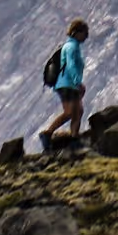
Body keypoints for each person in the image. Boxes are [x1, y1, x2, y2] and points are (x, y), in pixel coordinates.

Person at [39, 19, 90, 149]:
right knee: (69, 112)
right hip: (67, 84)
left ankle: (74, 139)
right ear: (77, 32)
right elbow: (71, 65)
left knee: (78, 111)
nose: (86, 36)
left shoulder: (72, 46)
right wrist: (77, 82)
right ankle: (47, 134)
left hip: (69, 84)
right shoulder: (71, 47)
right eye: (84, 33)